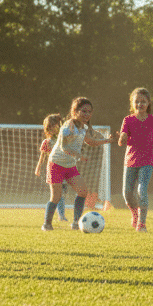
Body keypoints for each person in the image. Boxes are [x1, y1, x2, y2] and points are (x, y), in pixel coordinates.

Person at [38, 98, 112, 230]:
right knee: (56, 196)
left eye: (89, 111)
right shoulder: (68, 126)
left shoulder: (83, 127)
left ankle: (76, 222)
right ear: (75, 111)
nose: (87, 114)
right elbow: (64, 147)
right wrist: (78, 155)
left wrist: (106, 140)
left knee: (83, 191)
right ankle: (47, 224)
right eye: (83, 111)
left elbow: (90, 141)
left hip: (69, 166)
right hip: (56, 164)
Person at [117, 87, 153, 232]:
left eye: (143, 101)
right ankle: (135, 214)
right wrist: (121, 138)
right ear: (132, 103)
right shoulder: (128, 120)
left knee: (141, 190)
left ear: (149, 103)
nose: (140, 104)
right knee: (127, 193)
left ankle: (142, 223)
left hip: (147, 161)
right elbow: (122, 139)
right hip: (130, 161)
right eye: (137, 101)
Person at [34, 113, 69, 225]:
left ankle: (60, 215)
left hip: (65, 169)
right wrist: (38, 168)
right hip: (54, 171)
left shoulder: (63, 139)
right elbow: (42, 156)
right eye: (50, 127)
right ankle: (60, 216)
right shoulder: (47, 142)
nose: (53, 129)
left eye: (54, 126)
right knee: (57, 195)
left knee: (62, 194)